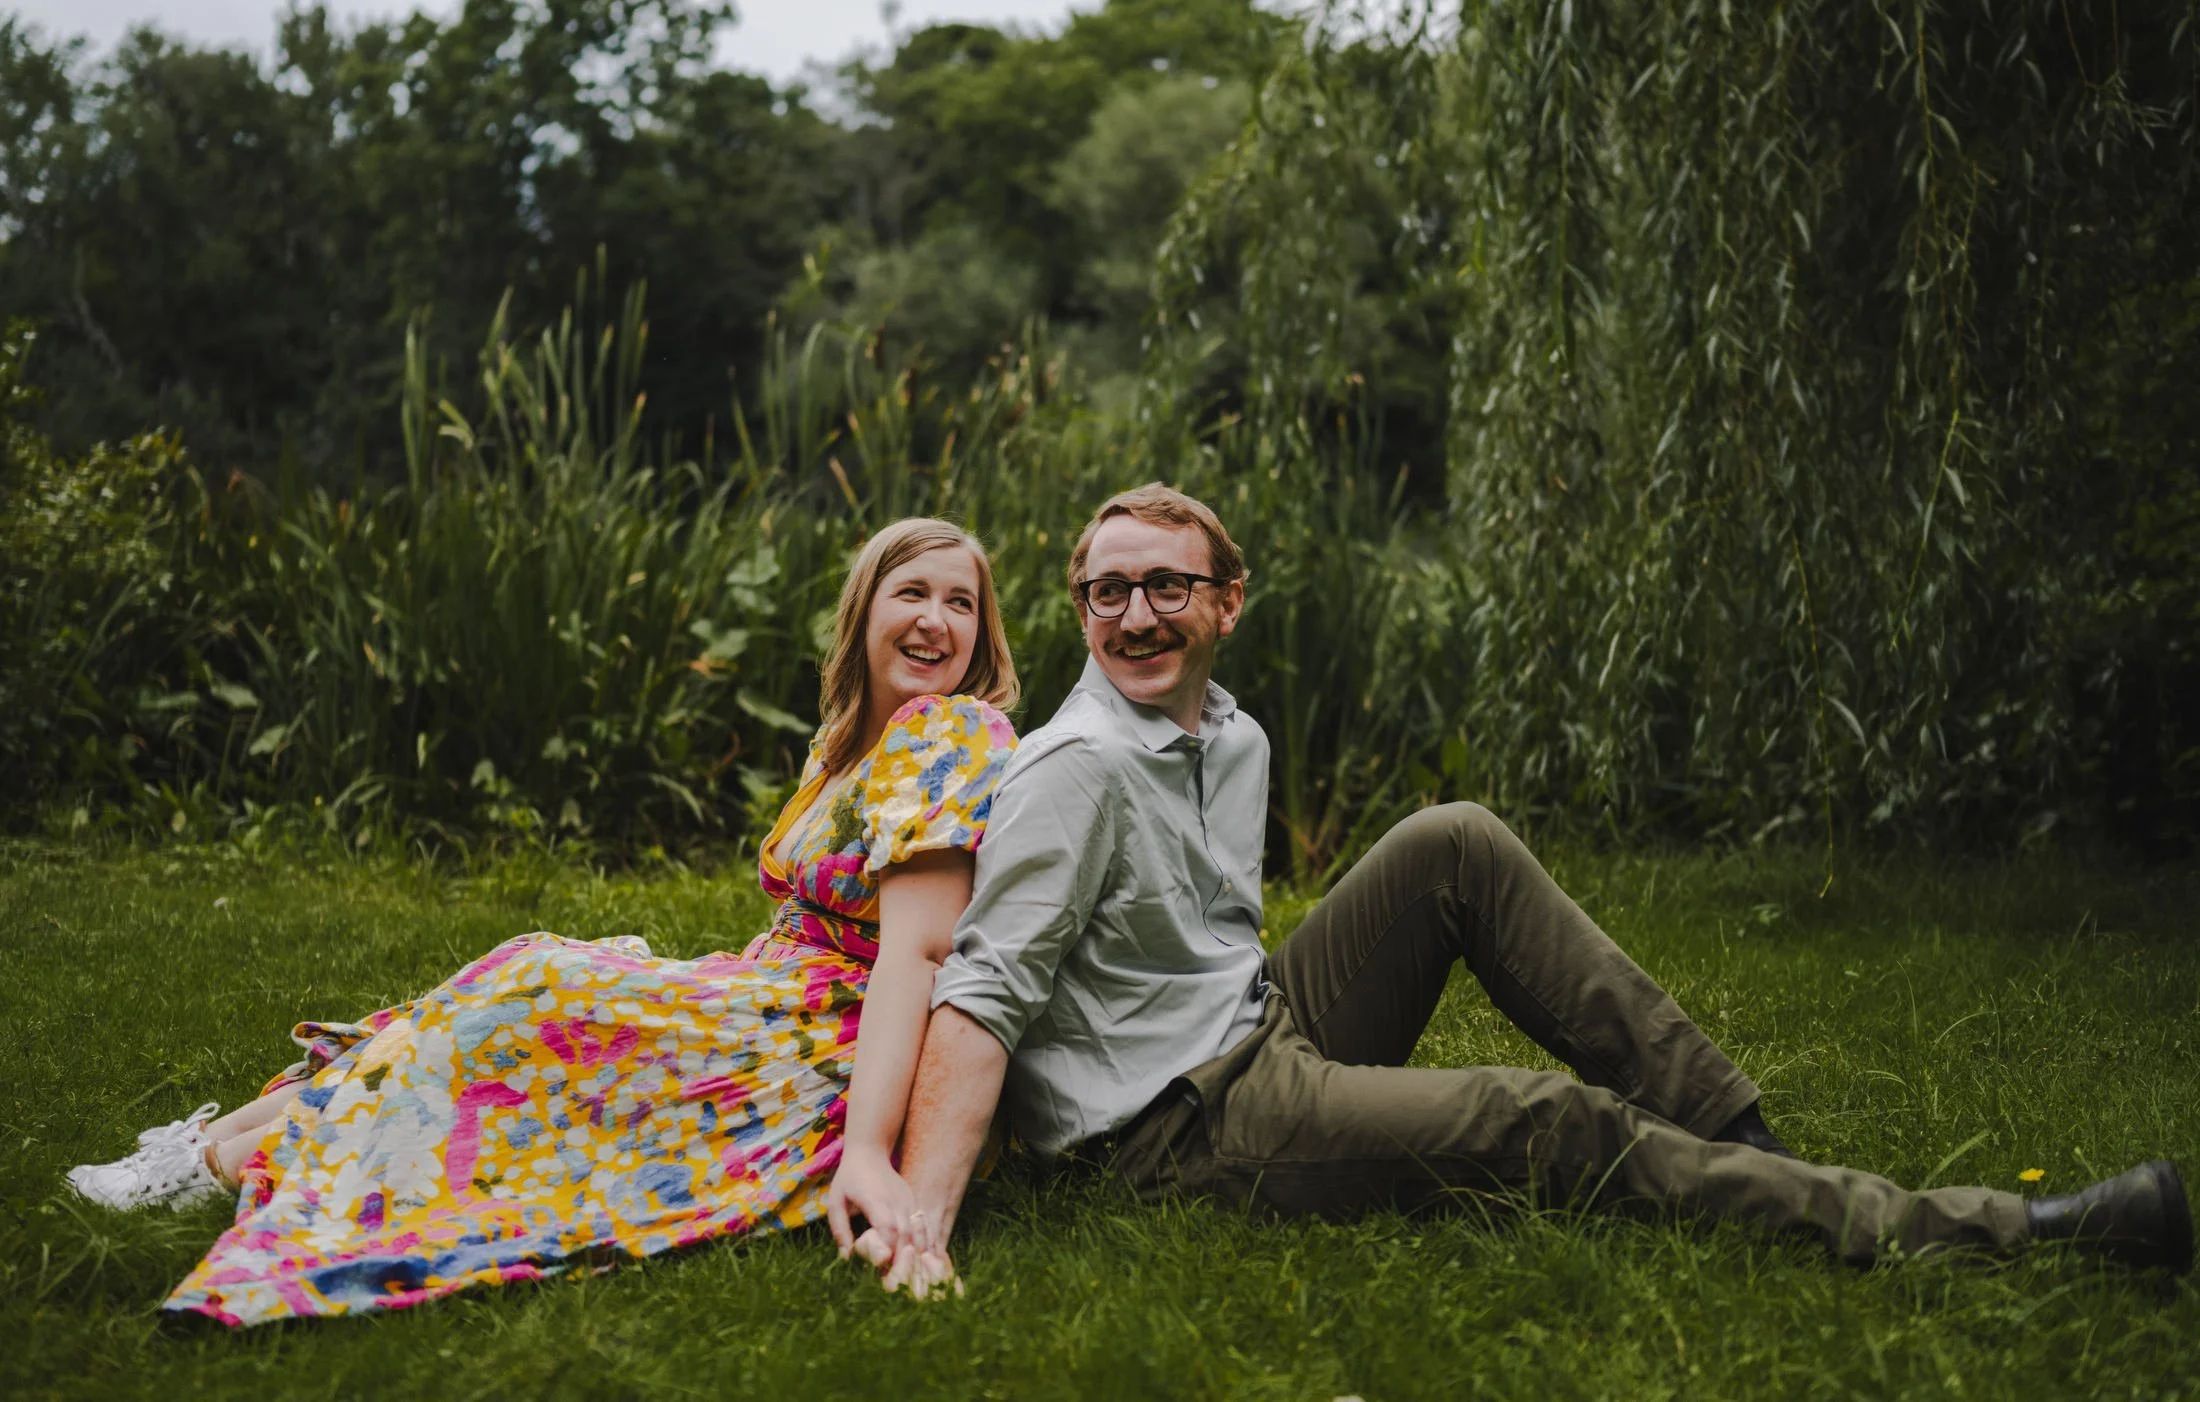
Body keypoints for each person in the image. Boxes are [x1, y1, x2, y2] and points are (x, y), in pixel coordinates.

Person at [851, 483, 2191, 1297]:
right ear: (1080, 609)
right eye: (1106, 594)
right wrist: (919, 1209)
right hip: (1178, 1130)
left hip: (1257, 1024)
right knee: (1535, 1117)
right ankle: (2006, 1230)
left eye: (1167, 587)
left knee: (1458, 838)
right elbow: (983, 990)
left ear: (1228, 603)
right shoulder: (1073, 768)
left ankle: (1757, 1156)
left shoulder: (1234, 737)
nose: (1136, 615)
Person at [63, 517, 1020, 1326]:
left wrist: (863, 1150)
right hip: (774, 992)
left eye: (961, 602)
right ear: (865, 612)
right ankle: (196, 1153)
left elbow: (919, 954)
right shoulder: (853, 743)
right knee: (515, 981)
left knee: (538, 991)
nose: (936, 620)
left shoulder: (953, 732)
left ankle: (232, 1166)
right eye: (913, 593)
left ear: (985, 633)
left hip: (827, 1043)